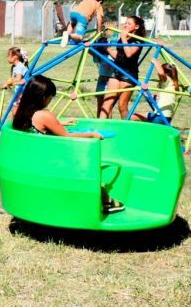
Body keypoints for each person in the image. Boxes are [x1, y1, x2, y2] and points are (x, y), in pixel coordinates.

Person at [11, 76, 120, 211]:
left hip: (29, 159)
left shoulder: (18, 111)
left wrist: (58, 123)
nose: (50, 101)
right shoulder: (44, 115)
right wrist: (91, 135)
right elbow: (68, 136)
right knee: (88, 169)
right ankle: (107, 202)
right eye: (50, 97)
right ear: (44, 97)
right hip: (48, 162)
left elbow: (35, 125)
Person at [98, 15, 146, 120]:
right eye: (125, 23)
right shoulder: (123, 37)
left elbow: (128, 54)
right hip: (116, 71)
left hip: (129, 75)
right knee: (107, 103)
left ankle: (126, 129)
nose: (125, 25)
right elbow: (120, 56)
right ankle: (100, 128)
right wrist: (108, 49)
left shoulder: (138, 41)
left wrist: (123, 37)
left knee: (122, 106)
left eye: (129, 23)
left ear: (136, 26)